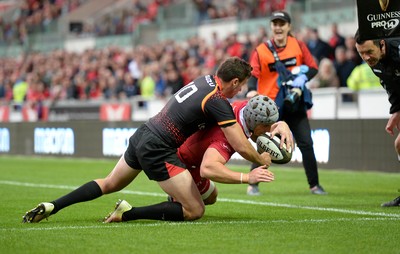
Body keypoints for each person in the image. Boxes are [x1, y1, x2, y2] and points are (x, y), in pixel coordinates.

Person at [22, 57, 273, 223]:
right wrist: (259, 159)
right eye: (239, 87)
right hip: (159, 148)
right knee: (196, 210)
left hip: (143, 133)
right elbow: (240, 144)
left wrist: (277, 124)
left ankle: (53, 205)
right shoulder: (218, 100)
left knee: (109, 183)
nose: (238, 92)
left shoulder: (204, 81)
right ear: (235, 81)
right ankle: (128, 213)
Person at [246, 10, 327, 195]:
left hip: (295, 102)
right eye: (275, 23)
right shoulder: (261, 50)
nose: (278, 27)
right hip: (271, 106)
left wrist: (302, 77)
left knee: (306, 143)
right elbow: (253, 74)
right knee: (265, 144)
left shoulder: (298, 45)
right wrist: (251, 90)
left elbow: (313, 68)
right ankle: (253, 183)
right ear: (271, 27)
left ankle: (314, 185)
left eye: (282, 23)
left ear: (289, 26)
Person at [169, 95, 293, 206]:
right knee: (195, 211)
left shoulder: (245, 109)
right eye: (266, 126)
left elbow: (258, 117)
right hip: (182, 162)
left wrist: (282, 124)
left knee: (211, 197)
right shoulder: (228, 137)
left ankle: (180, 193)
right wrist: (247, 177)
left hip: (190, 151)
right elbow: (207, 169)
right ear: (254, 122)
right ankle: (175, 197)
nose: (268, 130)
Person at [354, 30, 400, 207]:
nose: (366, 58)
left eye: (369, 52)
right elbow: (392, 87)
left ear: (381, 44)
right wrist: (395, 111)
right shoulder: (375, 62)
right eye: (361, 53)